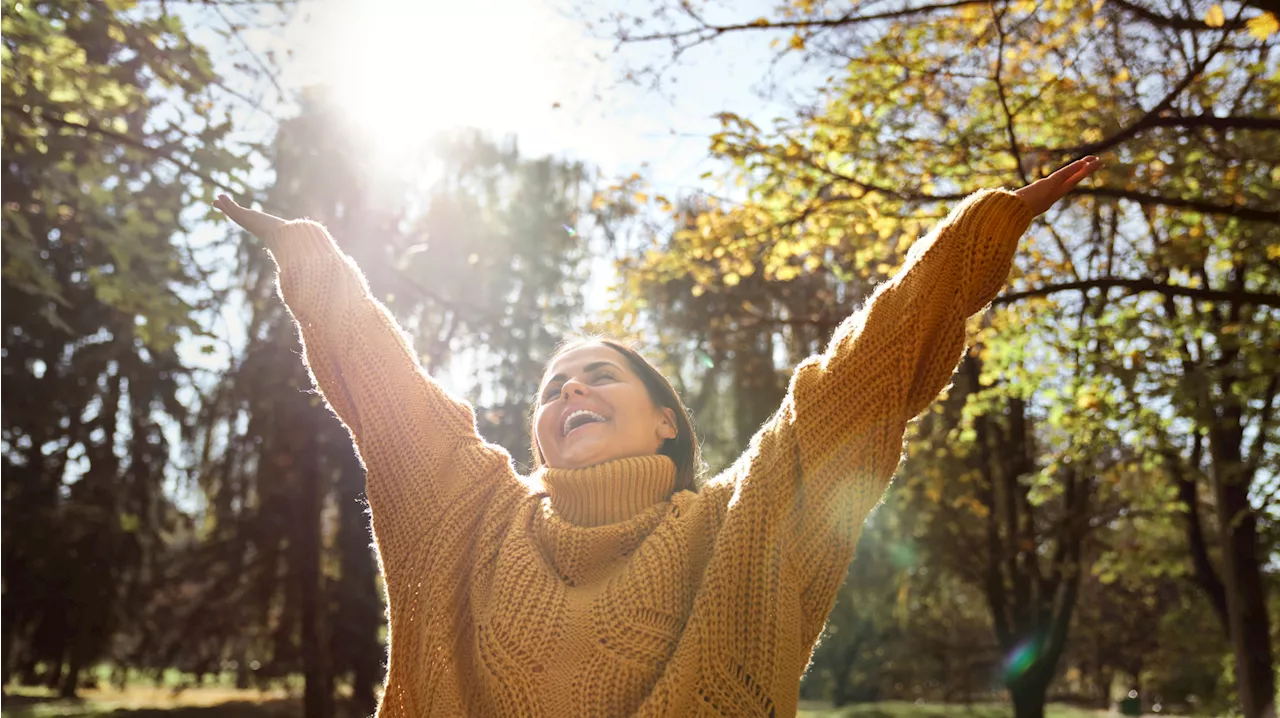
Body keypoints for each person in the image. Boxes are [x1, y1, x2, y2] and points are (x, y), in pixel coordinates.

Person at [214, 155, 1101, 717]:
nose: (572, 390)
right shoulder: (471, 515)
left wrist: (975, 239)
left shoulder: (738, 527)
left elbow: (847, 392)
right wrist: (313, 260)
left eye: (601, 374)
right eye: (554, 387)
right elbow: (391, 398)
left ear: (665, 420)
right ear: (541, 432)